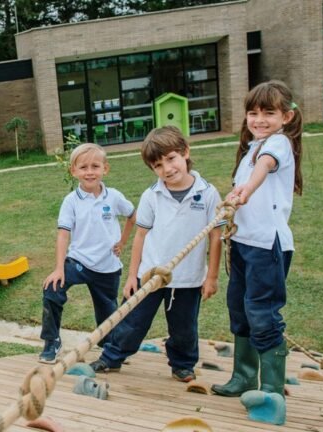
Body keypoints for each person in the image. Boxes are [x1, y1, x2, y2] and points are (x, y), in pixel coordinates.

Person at [90, 126, 224, 382]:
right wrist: (132, 276)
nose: (167, 169)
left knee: (184, 327)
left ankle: (182, 364)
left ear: (185, 153)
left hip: (188, 277)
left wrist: (212, 277)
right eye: (158, 165)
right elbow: (140, 235)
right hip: (149, 274)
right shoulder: (152, 195)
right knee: (133, 320)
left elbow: (215, 236)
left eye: (171, 159)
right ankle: (112, 357)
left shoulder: (207, 194)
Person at [212, 80, 303, 405]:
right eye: (253, 113)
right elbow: (253, 171)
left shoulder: (278, 143)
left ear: (286, 117)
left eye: (268, 113)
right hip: (243, 244)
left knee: (262, 313)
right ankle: (244, 375)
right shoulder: (252, 146)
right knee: (239, 308)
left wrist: (245, 192)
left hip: (268, 246)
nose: (259, 119)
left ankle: (271, 393)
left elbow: (264, 168)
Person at [39, 143, 136, 364]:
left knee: (107, 314)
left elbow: (133, 216)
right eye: (83, 167)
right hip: (78, 262)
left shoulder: (114, 197)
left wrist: (122, 242)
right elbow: (63, 234)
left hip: (107, 267)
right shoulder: (71, 202)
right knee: (52, 289)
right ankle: (51, 341)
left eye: (95, 166)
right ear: (74, 171)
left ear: (105, 169)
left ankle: (110, 347)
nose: (89, 172)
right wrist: (59, 268)